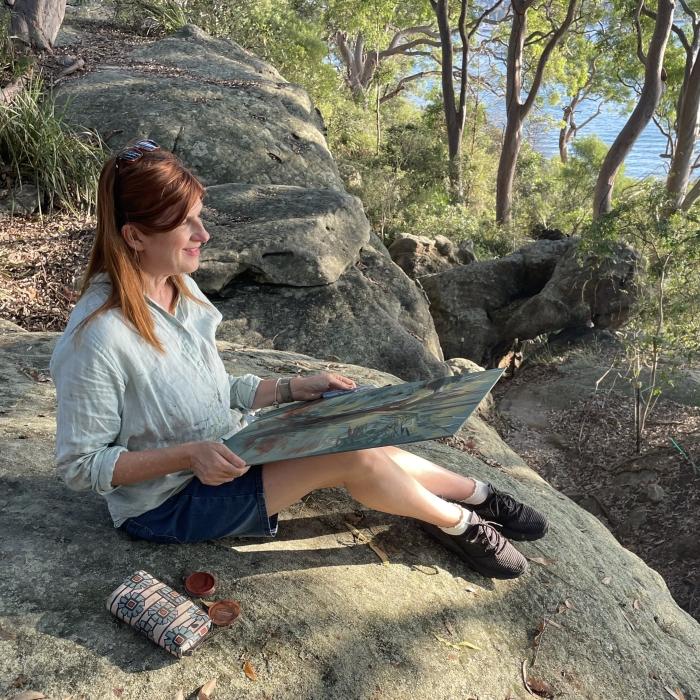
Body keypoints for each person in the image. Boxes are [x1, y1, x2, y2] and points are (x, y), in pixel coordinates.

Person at [50, 140, 549, 580]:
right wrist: (188, 454)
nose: (203, 234)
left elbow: (212, 388)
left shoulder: (178, 286)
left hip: (234, 449)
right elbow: (79, 466)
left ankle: (478, 494)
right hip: (171, 502)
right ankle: (457, 521)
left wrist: (291, 389)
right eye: (184, 224)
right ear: (135, 236)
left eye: (200, 216)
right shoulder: (98, 338)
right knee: (353, 455)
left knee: (358, 427)